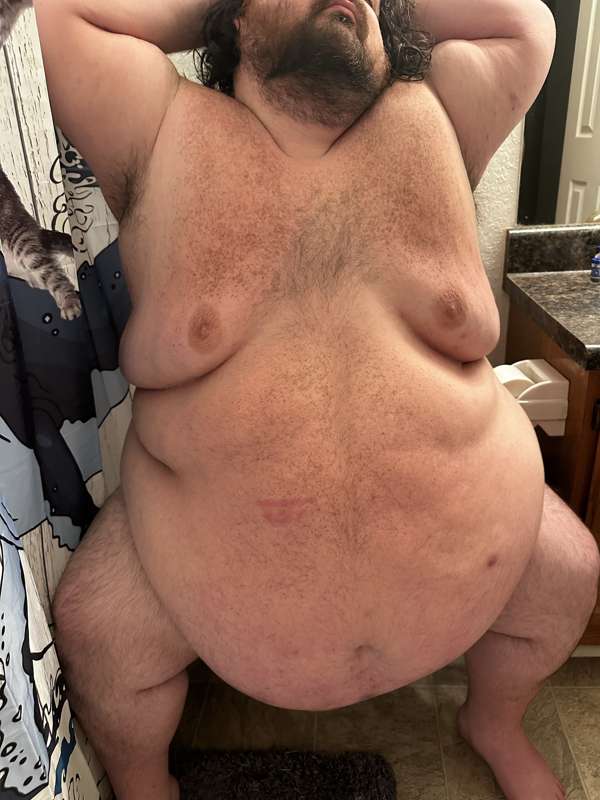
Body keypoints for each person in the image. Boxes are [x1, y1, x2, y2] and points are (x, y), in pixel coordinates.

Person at [33, 1, 600, 798]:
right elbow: (63, 14)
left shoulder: (438, 116)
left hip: (489, 547)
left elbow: (529, 23)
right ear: (233, 24)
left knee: (570, 570)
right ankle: (143, 781)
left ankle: (494, 722)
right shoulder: (158, 129)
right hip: (185, 574)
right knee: (99, 627)